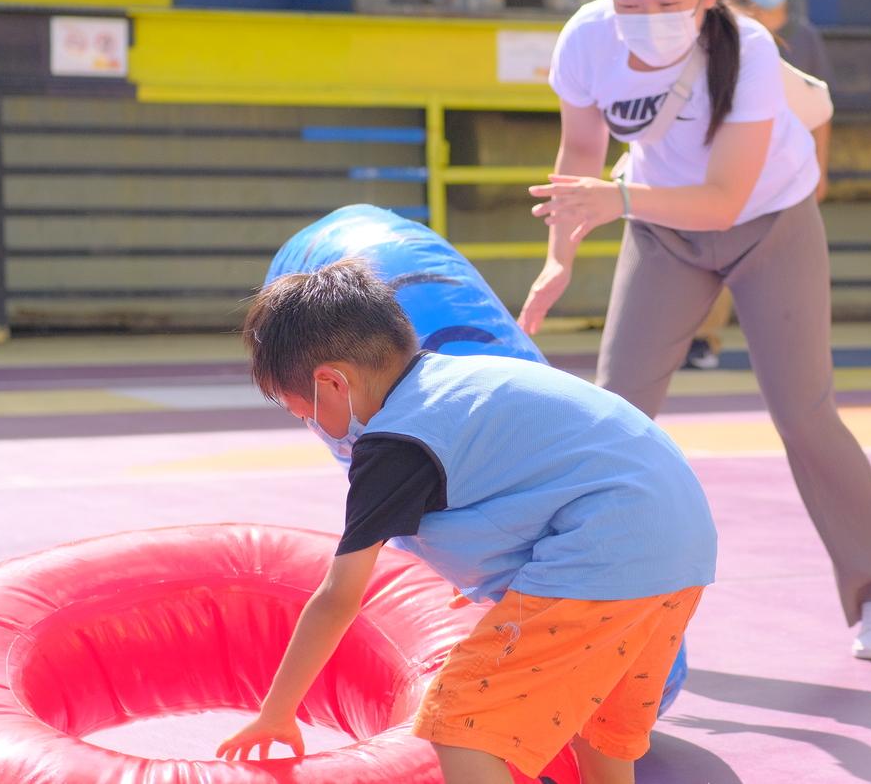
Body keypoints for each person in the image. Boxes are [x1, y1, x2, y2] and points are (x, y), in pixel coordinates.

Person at [519, 0, 871, 660]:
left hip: (769, 224)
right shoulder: (586, 39)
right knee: (616, 413)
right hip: (660, 229)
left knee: (804, 414)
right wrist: (559, 258)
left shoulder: (750, 48)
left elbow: (726, 200)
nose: (646, 18)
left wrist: (618, 201)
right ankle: (585, 594)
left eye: (667, 1)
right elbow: (580, 153)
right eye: (629, 2)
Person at [216, 259, 717, 784]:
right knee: (600, 725)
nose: (310, 425)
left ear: (332, 382)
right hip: (682, 545)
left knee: (459, 722)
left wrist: (277, 713)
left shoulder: (396, 443)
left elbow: (338, 597)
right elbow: (537, 478)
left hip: (605, 551)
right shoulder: (455, 383)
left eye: (301, 412)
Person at [683, 0, 836, 370]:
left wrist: (821, 169)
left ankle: (791, 350)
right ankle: (703, 339)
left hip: (791, 169)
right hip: (737, 164)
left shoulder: (805, 37)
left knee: (789, 264)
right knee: (720, 253)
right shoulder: (733, 32)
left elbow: (821, 110)